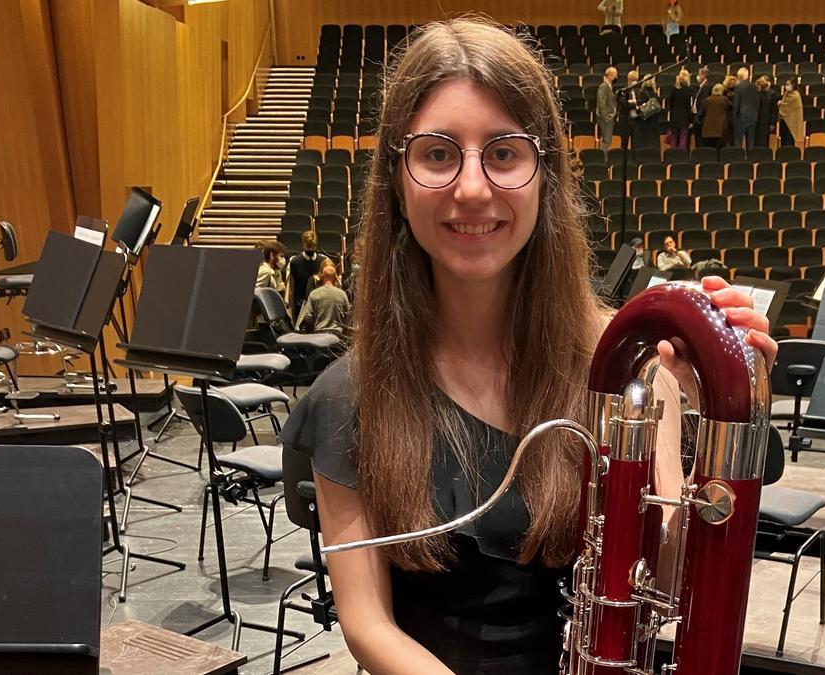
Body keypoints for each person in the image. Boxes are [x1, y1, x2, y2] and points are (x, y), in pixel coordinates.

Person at [279, 19, 774, 674]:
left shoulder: (625, 364)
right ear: (397, 181)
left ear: (546, 172)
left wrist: (721, 413)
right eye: (437, 153)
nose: (473, 187)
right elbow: (368, 624)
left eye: (504, 152)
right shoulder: (348, 394)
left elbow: (670, 572)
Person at [296, 259, 351, 335]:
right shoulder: (342, 294)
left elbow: (307, 318)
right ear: (335, 277)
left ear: (321, 276)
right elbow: (348, 317)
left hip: (319, 336)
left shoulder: (314, 294)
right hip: (338, 337)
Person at [288, 230, 331, 319]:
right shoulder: (294, 262)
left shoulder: (323, 260)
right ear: (303, 244)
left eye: (312, 246)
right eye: (308, 247)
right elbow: (291, 287)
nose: (310, 249)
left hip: (320, 304)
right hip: (300, 305)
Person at [666, 67, 693, 150]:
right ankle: (682, 157)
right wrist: (691, 120)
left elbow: (670, 105)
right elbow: (689, 106)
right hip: (684, 117)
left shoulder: (673, 90)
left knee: (673, 138)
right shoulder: (689, 90)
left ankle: (672, 155)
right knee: (683, 139)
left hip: (674, 116)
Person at [731, 67, 759, 149]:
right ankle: (750, 159)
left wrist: (734, 117)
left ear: (739, 77)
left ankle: (739, 159)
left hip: (741, 116)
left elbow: (736, 103)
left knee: (738, 141)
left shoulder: (739, 87)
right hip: (753, 116)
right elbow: (757, 103)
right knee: (751, 141)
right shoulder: (754, 86)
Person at [634, 75, 662, 149]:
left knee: (644, 142)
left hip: (644, 121)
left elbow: (639, 108)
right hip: (654, 121)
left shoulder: (642, 94)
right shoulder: (655, 94)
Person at [700, 83, 730, 149]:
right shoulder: (724, 100)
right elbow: (729, 109)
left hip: (707, 129)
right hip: (720, 129)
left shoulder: (707, 100)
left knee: (709, 151)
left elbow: (701, 113)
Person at [777, 77, 804, 148]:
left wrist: (780, 104)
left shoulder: (795, 95)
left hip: (791, 121)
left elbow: (786, 106)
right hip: (785, 120)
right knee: (784, 139)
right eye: (786, 84)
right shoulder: (787, 93)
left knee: (788, 139)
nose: (786, 86)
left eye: (788, 84)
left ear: (793, 85)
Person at [616, 69, 639, 151]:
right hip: (626, 120)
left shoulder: (638, 91)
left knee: (635, 142)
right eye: (632, 80)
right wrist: (635, 103)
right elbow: (624, 104)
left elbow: (640, 102)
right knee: (624, 142)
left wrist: (633, 103)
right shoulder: (623, 92)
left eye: (635, 80)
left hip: (636, 119)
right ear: (628, 80)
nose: (634, 82)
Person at [754, 75, 779, 150]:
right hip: (759, 120)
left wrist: (772, 123)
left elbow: (774, 109)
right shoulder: (758, 94)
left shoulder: (771, 93)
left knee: (763, 140)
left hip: (765, 120)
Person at [596, 66, 618, 152]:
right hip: (606, 118)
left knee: (608, 140)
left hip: (609, 117)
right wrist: (606, 117)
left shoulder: (609, 87)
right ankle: (603, 160)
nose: (616, 77)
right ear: (610, 76)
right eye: (615, 75)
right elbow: (602, 103)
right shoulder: (604, 87)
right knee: (606, 140)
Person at [690, 66, 712, 146]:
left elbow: (703, 102)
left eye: (699, 74)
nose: (698, 76)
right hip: (697, 115)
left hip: (701, 117)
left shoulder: (706, 87)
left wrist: (698, 115)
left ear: (704, 75)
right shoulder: (700, 86)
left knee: (700, 140)